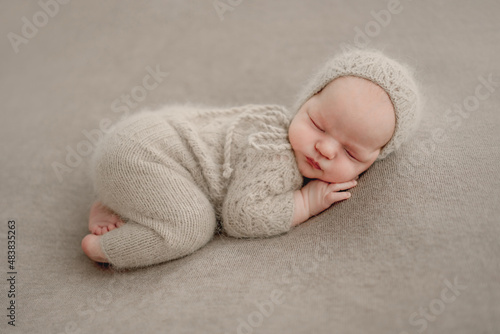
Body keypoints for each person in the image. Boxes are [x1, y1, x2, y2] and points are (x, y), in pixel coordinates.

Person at [81, 49, 422, 269]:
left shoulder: (289, 133)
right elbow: (241, 216)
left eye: (351, 152)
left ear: (376, 158)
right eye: (317, 124)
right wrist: (304, 201)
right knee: (191, 224)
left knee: (175, 192)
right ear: (305, 100)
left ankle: (116, 202)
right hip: (142, 154)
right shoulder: (275, 154)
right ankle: (104, 247)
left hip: (137, 148)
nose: (326, 149)